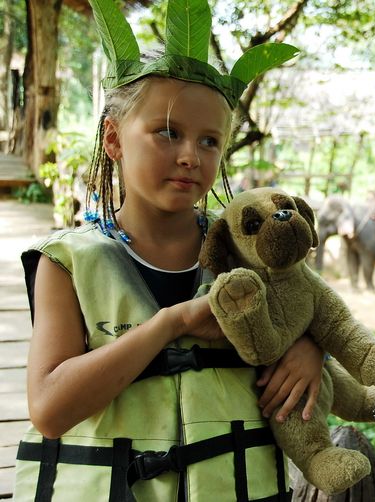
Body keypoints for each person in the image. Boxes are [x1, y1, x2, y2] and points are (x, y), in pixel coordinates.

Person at [14, 1, 314, 500]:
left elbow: (320, 312)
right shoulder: (66, 261)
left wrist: (310, 348)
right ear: (114, 139)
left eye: (209, 141)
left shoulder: (251, 244)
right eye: (167, 133)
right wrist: (170, 324)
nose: (189, 156)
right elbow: (48, 410)